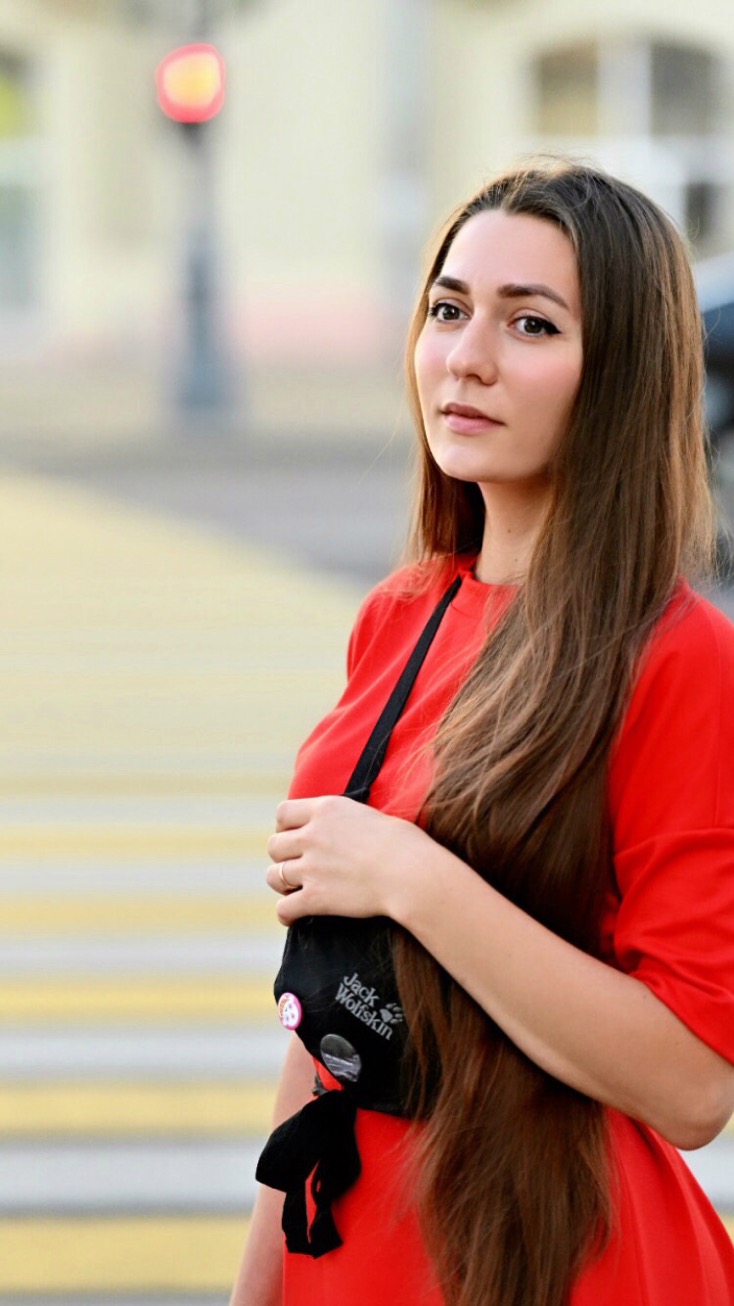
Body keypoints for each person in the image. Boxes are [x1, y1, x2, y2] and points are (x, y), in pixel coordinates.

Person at [230, 160, 734, 1306]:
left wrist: (413, 879)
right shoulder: (400, 615)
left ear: (620, 374)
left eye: (530, 323)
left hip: (553, 1253)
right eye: (448, 309)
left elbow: (692, 1082)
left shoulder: (677, 659)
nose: (465, 356)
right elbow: (331, 1006)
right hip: (349, 1235)